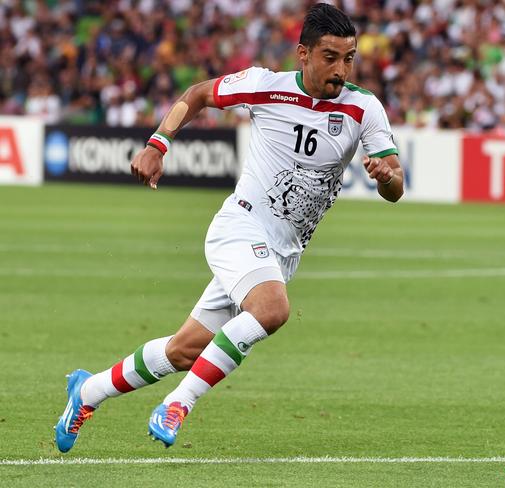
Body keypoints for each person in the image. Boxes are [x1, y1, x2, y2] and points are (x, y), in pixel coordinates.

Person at [55, 3, 403, 452]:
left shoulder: (363, 108)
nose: (341, 69)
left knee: (185, 350)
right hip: (239, 227)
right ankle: (178, 404)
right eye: (330, 57)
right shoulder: (266, 86)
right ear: (303, 53)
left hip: (281, 253)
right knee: (273, 309)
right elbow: (198, 93)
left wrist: (387, 177)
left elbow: (395, 182)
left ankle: (87, 392)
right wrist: (157, 144)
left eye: (349, 57)